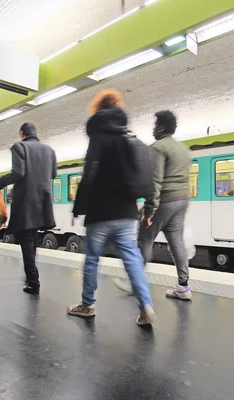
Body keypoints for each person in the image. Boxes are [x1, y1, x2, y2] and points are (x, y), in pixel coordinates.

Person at [67, 89, 156, 326]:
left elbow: (89, 176)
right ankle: (146, 305)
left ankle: (87, 305)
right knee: (132, 259)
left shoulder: (98, 139)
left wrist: (78, 208)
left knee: (92, 260)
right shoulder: (129, 138)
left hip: (100, 212)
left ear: (97, 110)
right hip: (127, 212)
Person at [113, 110, 193, 300]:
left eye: (155, 125)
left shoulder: (157, 147)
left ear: (162, 127)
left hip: (165, 200)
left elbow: (155, 182)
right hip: (183, 201)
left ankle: (135, 283)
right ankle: (184, 287)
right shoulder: (183, 149)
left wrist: (149, 211)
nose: (153, 129)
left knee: (144, 239)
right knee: (177, 242)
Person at [0, 122, 57, 295]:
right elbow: (53, 174)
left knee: (27, 242)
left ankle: (33, 282)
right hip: (43, 202)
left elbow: (18, 173)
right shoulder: (49, 150)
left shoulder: (19, 147)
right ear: (37, 134)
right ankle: (32, 275)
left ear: (21, 134)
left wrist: (0, 182)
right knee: (33, 239)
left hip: (26, 203)